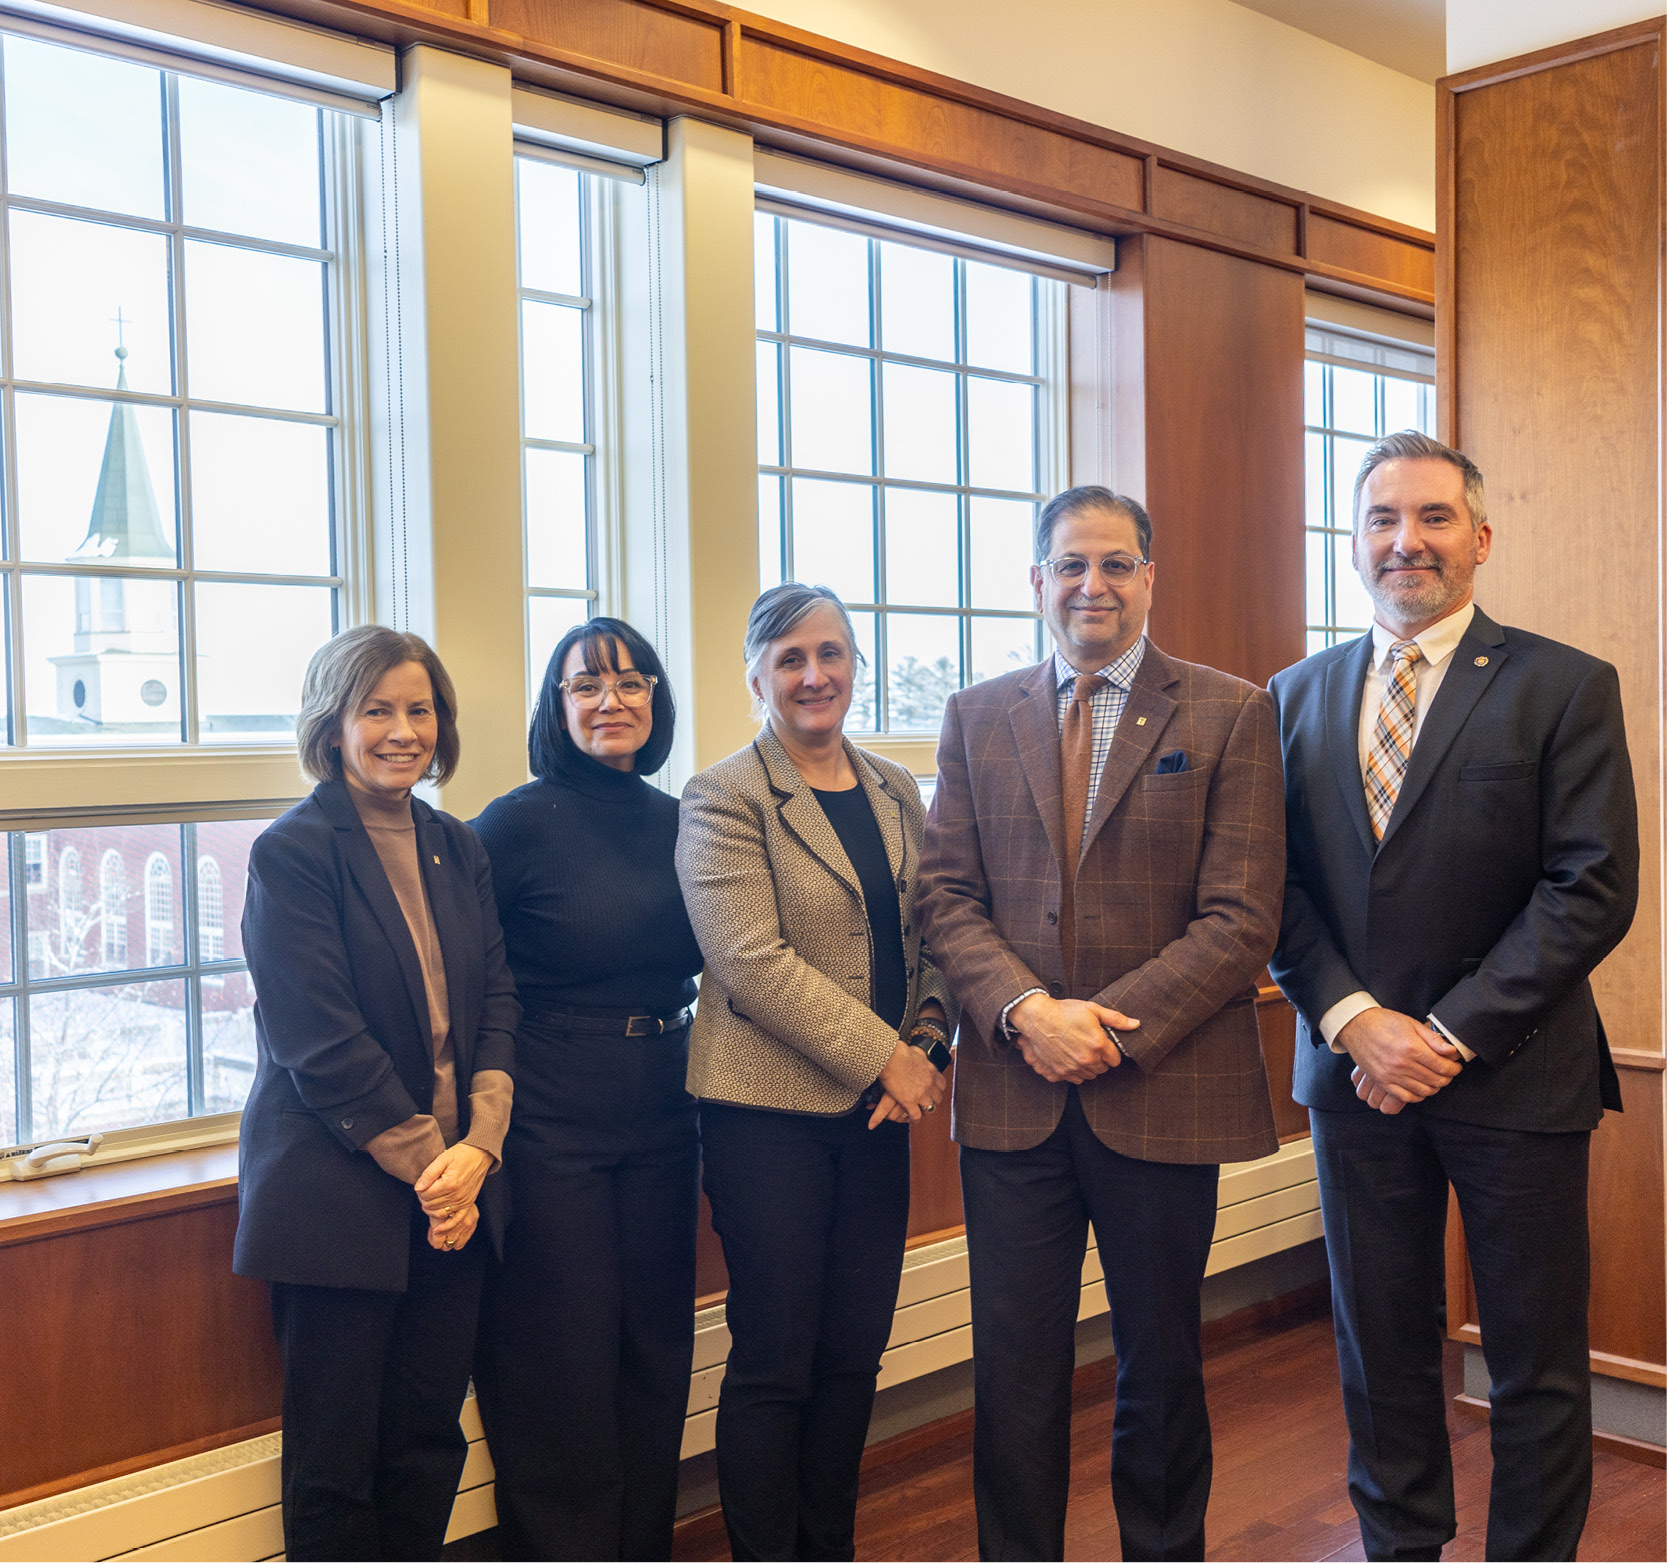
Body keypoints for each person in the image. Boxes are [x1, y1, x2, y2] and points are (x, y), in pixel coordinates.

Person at [1268, 430, 1639, 1561]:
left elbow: (1590, 888)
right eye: (1381, 520)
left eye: (1431, 518)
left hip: (1516, 1077)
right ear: (1351, 544)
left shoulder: (1561, 685)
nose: (1405, 542)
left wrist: (1441, 1034)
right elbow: (1264, 889)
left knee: (1532, 1363)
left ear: (1478, 538)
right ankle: (1399, 1550)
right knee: (1377, 1352)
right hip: (1352, 1083)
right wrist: (1355, 1026)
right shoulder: (1290, 695)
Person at [918, 486, 1284, 1562]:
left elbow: (1242, 915)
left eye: (1116, 564)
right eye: (1070, 564)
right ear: (1035, 581)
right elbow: (944, 896)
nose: (1093, 585)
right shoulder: (976, 715)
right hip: (1012, 1098)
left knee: (1160, 1367)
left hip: (1162, 1093)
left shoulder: (1227, 710)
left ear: (1148, 578)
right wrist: (1028, 1012)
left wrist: (1109, 1031)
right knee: (1014, 1370)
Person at [675, 582, 959, 1562]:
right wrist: (884, 1054)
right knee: (775, 1362)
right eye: (789, 658)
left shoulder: (891, 787)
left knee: (851, 1357)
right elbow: (747, 961)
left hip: (880, 1112)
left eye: (829, 654)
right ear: (756, 676)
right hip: (766, 1118)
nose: (812, 675)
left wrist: (923, 1045)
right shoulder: (724, 795)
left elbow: (932, 934)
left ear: (853, 666)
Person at [233, 625, 518, 1562]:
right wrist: (440, 1168)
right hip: (341, 1194)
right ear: (334, 722)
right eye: (378, 709)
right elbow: (320, 1041)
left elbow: (498, 1004)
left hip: (455, 1192)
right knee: (335, 1463)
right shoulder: (293, 852)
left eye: (420, 708)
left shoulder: (456, 844)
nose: (404, 729)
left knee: (427, 1440)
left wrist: (479, 1145)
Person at [470, 618, 702, 1561]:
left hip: (665, 1105)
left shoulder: (682, 818)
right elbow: (468, 979)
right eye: (585, 686)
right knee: (556, 1360)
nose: (612, 701)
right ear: (556, 707)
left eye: (631, 681)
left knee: (654, 1350)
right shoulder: (513, 823)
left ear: (656, 699)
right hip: (549, 1115)